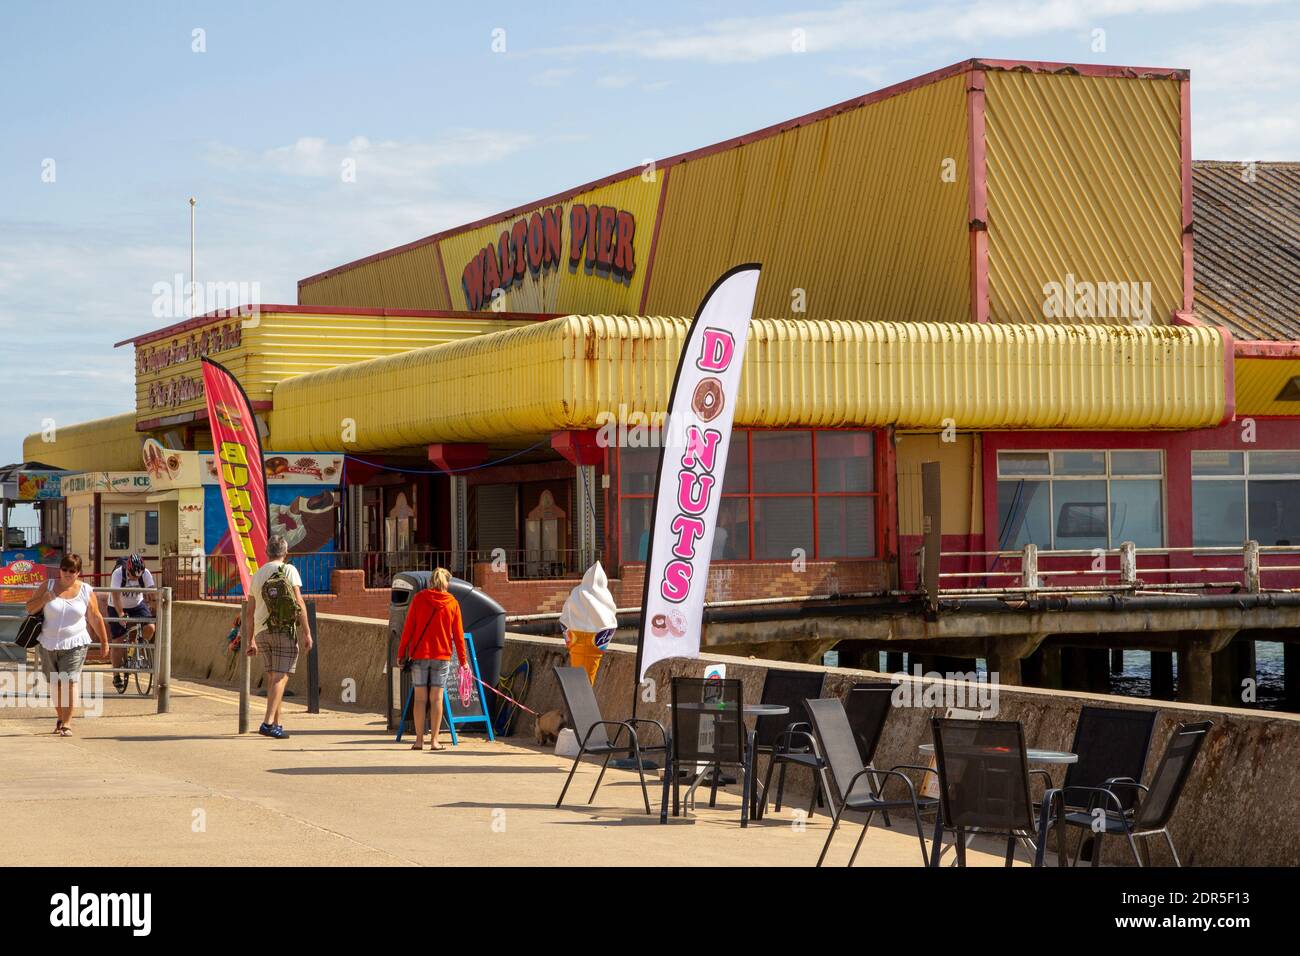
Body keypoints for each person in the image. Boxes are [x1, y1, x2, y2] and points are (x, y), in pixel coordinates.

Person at [24, 553, 109, 736]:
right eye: (65, 570)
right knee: (55, 683)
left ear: (78, 573)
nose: (68, 574)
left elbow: (95, 616)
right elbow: (30, 608)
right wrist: (44, 599)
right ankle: (61, 717)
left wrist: (104, 641)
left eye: (73, 571)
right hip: (48, 642)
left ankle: (67, 723)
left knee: (69, 681)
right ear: (60, 570)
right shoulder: (48, 585)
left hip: (75, 642)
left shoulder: (86, 590)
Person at [242, 535, 312, 739]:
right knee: (281, 676)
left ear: (266, 553)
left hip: (262, 631)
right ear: (285, 552)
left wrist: (250, 640)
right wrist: (307, 632)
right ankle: (267, 723)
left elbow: (249, 611)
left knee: (273, 676)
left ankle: (277, 724)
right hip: (283, 629)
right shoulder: (289, 570)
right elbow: (299, 602)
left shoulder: (257, 575)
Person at [396, 568, 468, 751]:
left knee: (420, 699)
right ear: (447, 583)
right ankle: (434, 741)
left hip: (419, 655)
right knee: (437, 699)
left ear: (431, 582)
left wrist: (400, 653)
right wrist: (463, 661)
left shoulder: (419, 599)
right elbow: (458, 636)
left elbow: (408, 629)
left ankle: (419, 740)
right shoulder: (452, 603)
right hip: (442, 656)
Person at [109, 553, 156, 692]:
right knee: (117, 641)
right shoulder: (118, 574)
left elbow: (152, 593)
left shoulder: (145, 573)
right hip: (116, 605)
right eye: (132, 576)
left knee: (150, 628)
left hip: (137, 605)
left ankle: (137, 649)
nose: (135, 578)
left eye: (138, 576)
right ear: (128, 569)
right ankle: (116, 675)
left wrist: (154, 606)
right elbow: (116, 596)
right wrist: (120, 614)